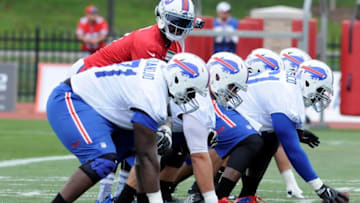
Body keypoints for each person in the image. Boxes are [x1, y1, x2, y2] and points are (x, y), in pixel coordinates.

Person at [47, 52, 210, 203]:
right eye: (191, 91)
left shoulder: (162, 71)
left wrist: (165, 128)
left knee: (152, 149)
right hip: (73, 100)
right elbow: (147, 155)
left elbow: (163, 106)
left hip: (101, 108)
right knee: (103, 161)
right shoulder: (151, 93)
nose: (192, 97)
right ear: (177, 79)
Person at [229, 49, 349, 203]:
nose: (320, 95)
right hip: (227, 113)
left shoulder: (290, 89)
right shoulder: (286, 94)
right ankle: (211, 193)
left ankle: (246, 196)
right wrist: (320, 188)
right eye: (320, 89)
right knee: (252, 142)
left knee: (268, 140)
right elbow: (292, 150)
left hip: (240, 115)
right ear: (307, 81)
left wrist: (298, 132)